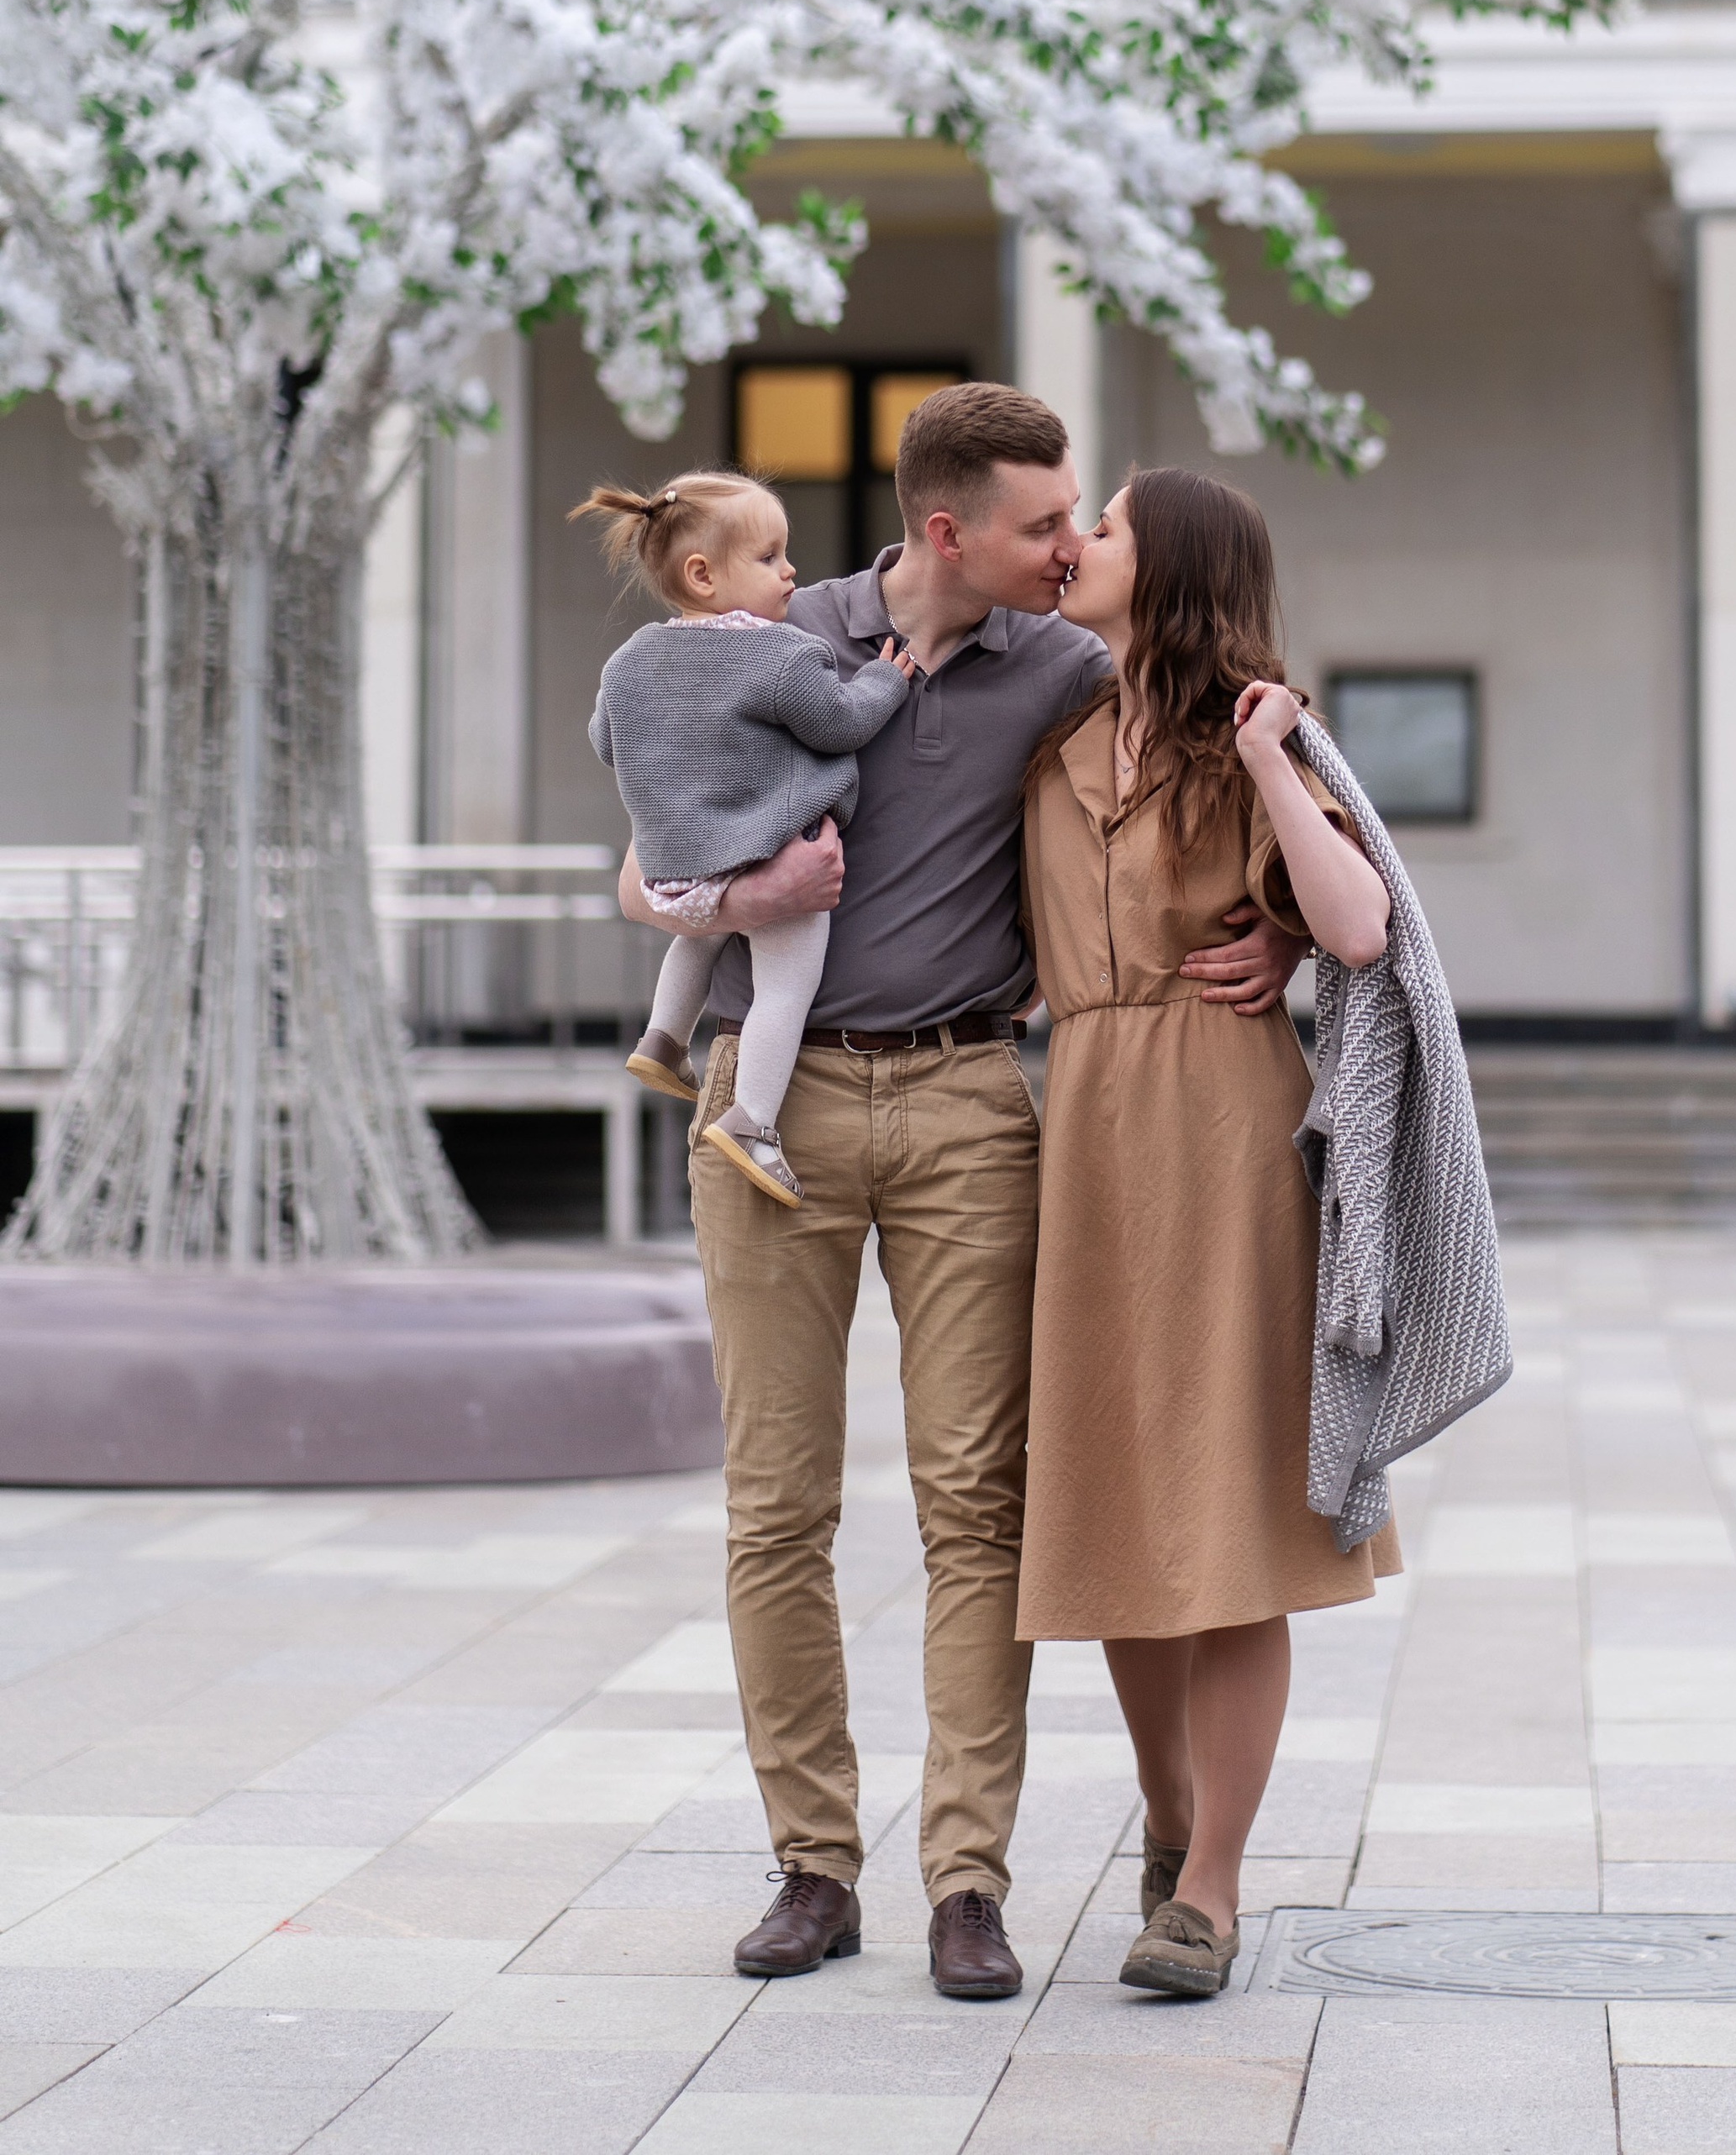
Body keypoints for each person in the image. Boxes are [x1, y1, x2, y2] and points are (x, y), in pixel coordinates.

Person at [615, 386, 1302, 2002]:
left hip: (970, 1101)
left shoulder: (1067, 671)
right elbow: (643, 850)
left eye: (1084, 522)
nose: (1071, 547)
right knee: (778, 1504)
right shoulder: (775, 629)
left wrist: (1270, 922)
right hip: (761, 1102)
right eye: (1046, 523)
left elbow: (1216, 748)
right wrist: (705, 885)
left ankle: (968, 1880)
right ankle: (811, 1864)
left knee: (977, 1508)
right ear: (949, 532)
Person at [1018, 466, 1402, 2000]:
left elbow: (1360, 927)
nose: (1073, 547)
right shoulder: (1046, 746)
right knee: (1117, 1509)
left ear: (1166, 567)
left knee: (1236, 1528)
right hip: (1092, 1134)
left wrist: (1270, 770)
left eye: (1100, 527)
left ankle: (1218, 1892)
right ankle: (1172, 1822)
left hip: (1233, 1144)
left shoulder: (1258, 739)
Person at [574, 471, 916, 1208]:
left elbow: (607, 740)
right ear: (703, 575)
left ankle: (663, 1039)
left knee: (700, 934)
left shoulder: (630, 659)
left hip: (677, 861)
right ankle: (754, 1121)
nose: (790, 571)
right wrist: (887, 683)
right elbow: (839, 724)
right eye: (769, 558)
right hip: (769, 851)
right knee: (784, 991)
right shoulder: (780, 655)